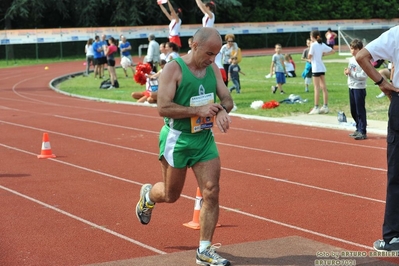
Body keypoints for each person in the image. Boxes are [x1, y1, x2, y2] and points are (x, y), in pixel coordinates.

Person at [135, 27, 233, 266]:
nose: (212, 59)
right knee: (171, 195)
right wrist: (197, 110)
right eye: (209, 53)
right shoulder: (174, 69)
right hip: (177, 140)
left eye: (216, 54)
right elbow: (163, 108)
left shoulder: (212, 69)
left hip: (204, 140)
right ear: (194, 45)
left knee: (211, 191)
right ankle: (148, 195)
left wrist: (221, 110)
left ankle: (204, 250)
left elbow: (227, 98)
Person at [356, 25, 399, 252]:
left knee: (397, 175)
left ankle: (393, 238)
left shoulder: (397, 33)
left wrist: (381, 83)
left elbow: (361, 57)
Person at [343, 39, 368, 140]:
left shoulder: (362, 60)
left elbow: (363, 76)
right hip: (351, 86)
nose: (352, 51)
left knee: (360, 110)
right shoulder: (351, 59)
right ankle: (358, 128)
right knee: (353, 110)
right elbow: (350, 71)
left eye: (355, 49)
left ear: (360, 49)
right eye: (351, 48)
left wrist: (351, 73)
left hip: (359, 87)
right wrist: (347, 73)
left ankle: (363, 131)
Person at [308, 30, 335, 115]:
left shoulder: (313, 45)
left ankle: (316, 107)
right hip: (322, 67)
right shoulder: (321, 44)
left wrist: (309, 59)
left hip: (316, 68)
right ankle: (325, 106)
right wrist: (324, 55)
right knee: (324, 87)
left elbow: (309, 55)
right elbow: (333, 51)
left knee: (316, 88)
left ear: (313, 37)